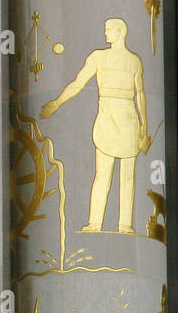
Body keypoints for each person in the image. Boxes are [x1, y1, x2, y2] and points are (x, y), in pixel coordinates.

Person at [42, 17, 148, 234]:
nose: (105, 34)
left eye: (109, 30)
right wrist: (57, 102)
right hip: (109, 117)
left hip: (127, 118)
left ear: (120, 32)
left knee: (126, 176)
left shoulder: (133, 61)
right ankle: (95, 223)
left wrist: (144, 124)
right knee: (103, 174)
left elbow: (140, 94)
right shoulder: (99, 57)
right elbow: (78, 83)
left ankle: (125, 225)